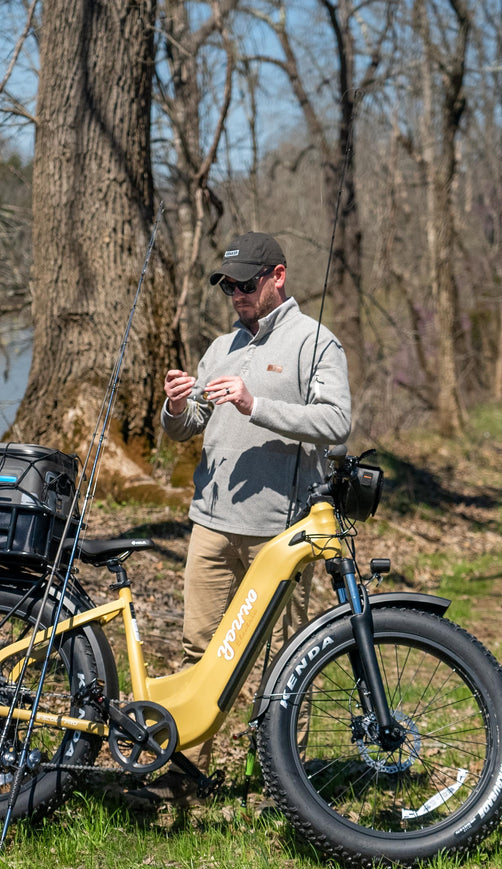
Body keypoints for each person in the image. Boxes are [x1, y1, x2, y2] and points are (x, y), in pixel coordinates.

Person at [129, 231, 352, 805]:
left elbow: (336, 422)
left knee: (286, 661)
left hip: (280, 534)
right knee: (197, 652)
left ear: (278, 275)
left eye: (245, 283)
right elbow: (185, 427)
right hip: (210, 523)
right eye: (228, 285)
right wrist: (178, 404)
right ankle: (185, 774)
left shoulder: (316, 343)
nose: (236, 294)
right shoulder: (219, 347)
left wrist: (256, 404)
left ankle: (284, 784)